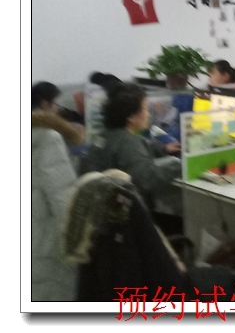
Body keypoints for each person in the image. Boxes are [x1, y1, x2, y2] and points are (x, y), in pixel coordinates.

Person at [77, 83, 183, 234]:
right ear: (132, 116)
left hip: (103, 221)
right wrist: (182, 166)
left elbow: (134, 148)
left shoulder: (105, 136)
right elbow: (147, 178)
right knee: (183, 224)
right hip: (128, 224)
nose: (149, 114)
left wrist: (164, 149)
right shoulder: (127, 142)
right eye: (145, 109)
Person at [32, 82, 87, 301]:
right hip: (45, 244)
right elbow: (64, 201)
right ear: (46, 104)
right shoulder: (46, 138)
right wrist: (80, 244)